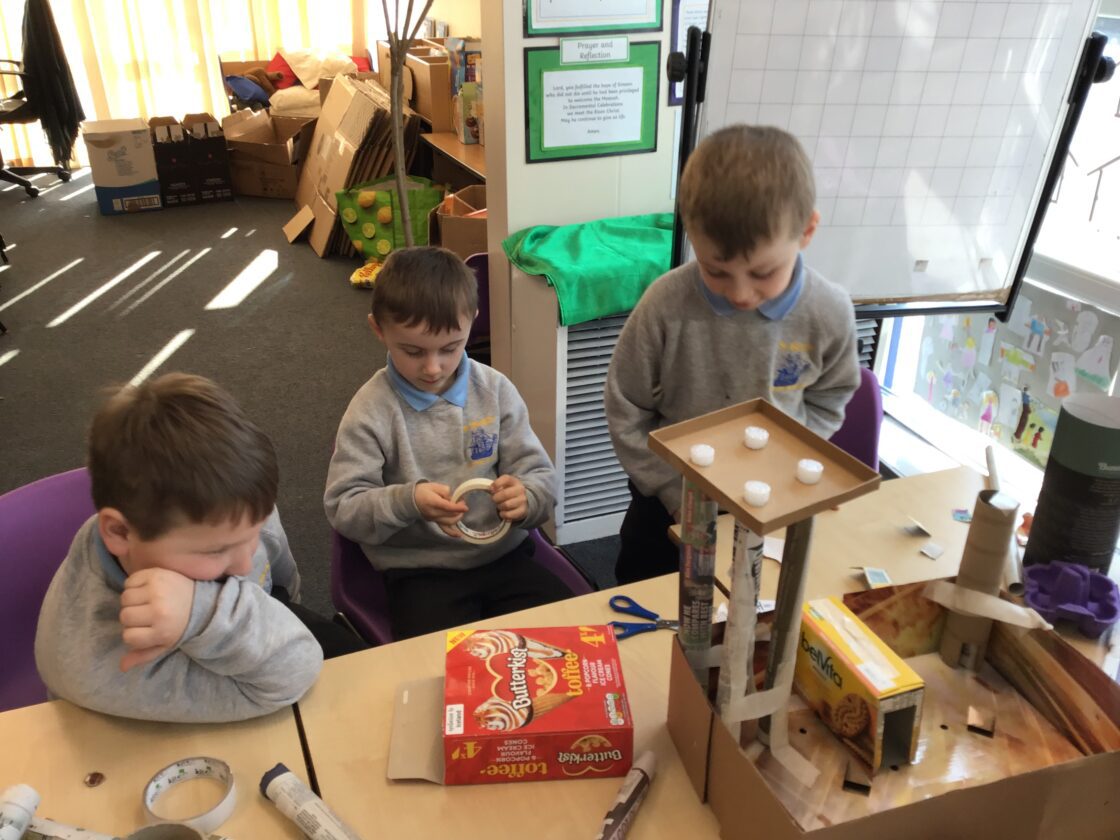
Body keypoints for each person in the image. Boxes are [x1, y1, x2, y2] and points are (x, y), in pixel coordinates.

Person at [605, 125, 861, 585]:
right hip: (667, 502)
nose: (741, 294)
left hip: (772, 500)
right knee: (649, 602)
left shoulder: (828, 311)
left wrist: (791, 470)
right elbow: (626, 405)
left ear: (806, 231)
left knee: (757, 603)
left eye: (763, 273)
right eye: (716, 271)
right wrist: (671, 491)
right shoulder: (666, 302)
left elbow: (831, 396)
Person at [34, 373, 337, 722]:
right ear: (119, 532)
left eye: (252, 534)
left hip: (250, 627)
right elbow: (292, 672)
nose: (245, 563)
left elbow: (280, 584)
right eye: (215, 552)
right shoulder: (91, 661)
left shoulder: (232, 509)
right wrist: (202, 613)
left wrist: (268, 608)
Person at [324, 246, 572, 640]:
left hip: (504, 558)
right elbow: (344, 507)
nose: (433, 367)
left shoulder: (495, 390)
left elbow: (540, 476)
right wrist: (409, 501)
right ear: (379, 329)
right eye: (412, 351)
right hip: (422, 571)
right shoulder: (370, 410)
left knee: (571, 637)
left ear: (472, 321)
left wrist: (528, 497)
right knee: (440, 663)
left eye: (451, 348)